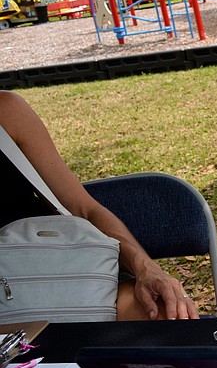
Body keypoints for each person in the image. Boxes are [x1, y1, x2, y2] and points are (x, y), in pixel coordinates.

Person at [0, 91, 199, 321]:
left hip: (60, 272)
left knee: (166, 316)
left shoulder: (7, 111)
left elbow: (84, 209)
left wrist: (146, 268)